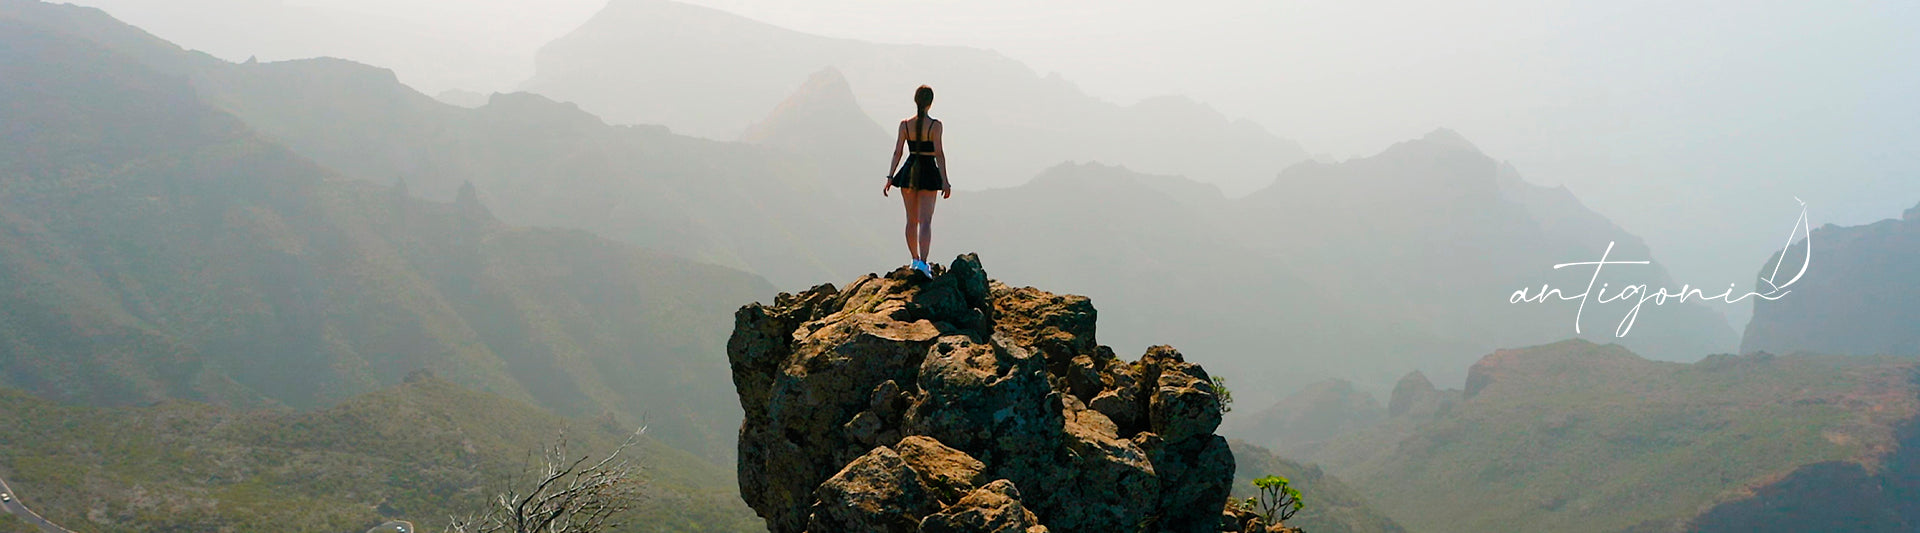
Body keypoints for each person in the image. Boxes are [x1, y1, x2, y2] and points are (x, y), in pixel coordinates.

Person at [883, 85, 951, 277]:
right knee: (926, 221)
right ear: (930, 103)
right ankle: (923, 262)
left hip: (909, 170)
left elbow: (898, 152)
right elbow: (939, 153)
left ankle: (914, 260)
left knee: (911, 220)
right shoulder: (935, 126)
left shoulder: (905, 125)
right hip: (928, 171)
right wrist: (945, 180)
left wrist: (890, 176)